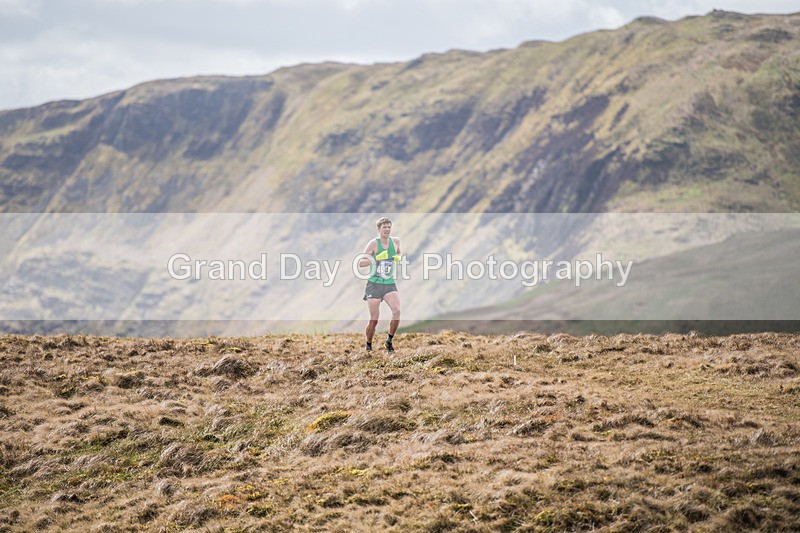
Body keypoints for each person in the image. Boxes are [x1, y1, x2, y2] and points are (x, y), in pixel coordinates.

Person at [358, 217, 401, 352]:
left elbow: (399, 251)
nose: (387, 230)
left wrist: (398, 257)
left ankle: (389, 341)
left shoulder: (395, 241)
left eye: (389, 227)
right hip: (374, 285)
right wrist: (376, 258)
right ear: (378, 229)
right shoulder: (373, 244)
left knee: (397, 312)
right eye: (384, 227)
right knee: (374, 320)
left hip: (389, 283)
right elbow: (361, 263)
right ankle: (368, 345)